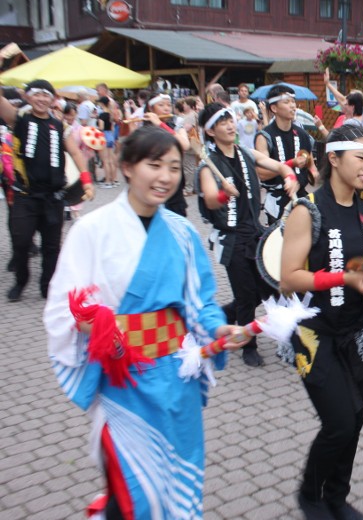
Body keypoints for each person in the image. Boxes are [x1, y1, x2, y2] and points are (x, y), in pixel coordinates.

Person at [43, 126, 246, 519]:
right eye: (154, 165)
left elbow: (199, 301)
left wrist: (218, 329)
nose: (166, 177)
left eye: (173, 167)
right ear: (128, 167)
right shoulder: (93, 230)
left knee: (177, 478)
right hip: (125, 379)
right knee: (134, 488)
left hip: (177, 379)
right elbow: (62, 306)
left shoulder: (183, 232)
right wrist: (96, 325)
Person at [279, 124, 363, 520]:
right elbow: (289, 276)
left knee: (356, 418)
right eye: (360, 158)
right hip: (313, 332)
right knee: (340, 422)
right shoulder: (306, 209)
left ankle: (337, 497)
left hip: (355, 331)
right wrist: (344, 277)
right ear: (333, 158)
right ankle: (311, 496)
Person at [197, 103, 298, 367]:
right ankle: (248, 346)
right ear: (210, 132)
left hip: (256, 234)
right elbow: (209, 199)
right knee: (246, 297)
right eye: (222, 123)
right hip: (232, 240)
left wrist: (288, 176)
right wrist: (222, 194)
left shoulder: (247, 153)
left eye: (230, 119)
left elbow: (279, 167)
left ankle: (223, 316)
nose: (230, 125)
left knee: (269, 288)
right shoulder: (209, 166)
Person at [1, 80, 94, 302]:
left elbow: (77, 154)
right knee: (21, 241)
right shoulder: (19, 119)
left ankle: (47, 285)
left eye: (46, 95)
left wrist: (87, 180)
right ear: (28, 97)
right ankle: (21, 280)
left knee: (52, 247)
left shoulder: (59, 126)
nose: (42, 99)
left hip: (53, 197)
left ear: (52, 99)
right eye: (37, 95)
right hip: (25, 195)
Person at [255, 84, 314, 223]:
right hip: (277, 200)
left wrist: (310, 169)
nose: (293, 106)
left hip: (300, 198)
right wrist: (290, 164)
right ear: (274, 108)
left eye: (293, 101)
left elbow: (312, 170)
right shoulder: (264, 137)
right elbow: (262, 173)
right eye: (287, 102)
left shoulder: (303, 135)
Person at [141, 93, 189, 217]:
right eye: (161, 105)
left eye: (169, 105)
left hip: (174, 179)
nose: (166, 108)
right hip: (153, 178)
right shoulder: (145, 128)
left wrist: (161, 125)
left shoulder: (177, 123)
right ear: (151, 109)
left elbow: (184, 145)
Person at [97, 96, 119, 189]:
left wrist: (95, 128)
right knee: (111, 161)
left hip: (104, 136)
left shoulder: (102, 115)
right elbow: (112, 127)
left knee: (105, 161)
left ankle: (107, 181)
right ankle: (114, 180)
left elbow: (101, 128)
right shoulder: (110, 115)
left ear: (102, 104)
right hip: (110, 136)